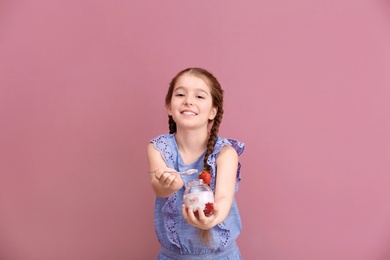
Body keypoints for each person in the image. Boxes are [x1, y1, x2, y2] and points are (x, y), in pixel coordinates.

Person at [147, 67, 245, 259]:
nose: (188, 101)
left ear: (213, 112)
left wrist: (211, 220)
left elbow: (224, 198)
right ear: (169, 106)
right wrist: (171, 185)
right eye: (180, 94)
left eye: (199, 97)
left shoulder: (226, 153)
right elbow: (159, 188)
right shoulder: (158, 147)